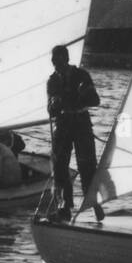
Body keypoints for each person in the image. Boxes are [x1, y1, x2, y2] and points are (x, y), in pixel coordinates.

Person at [46, 44, 103, 222]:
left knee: (87, 164)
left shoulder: (81, 75)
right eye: (54, 61)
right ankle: (65, 205)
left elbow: (95, 100)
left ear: (67, 59)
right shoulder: (52, 80)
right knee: (59, 165)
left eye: (59, 60)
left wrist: (83, 94)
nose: (56, 65)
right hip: (63, 124)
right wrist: (54, 104)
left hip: (81, 123)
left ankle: (93, 203)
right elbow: (51, 111)